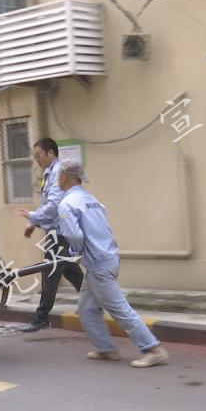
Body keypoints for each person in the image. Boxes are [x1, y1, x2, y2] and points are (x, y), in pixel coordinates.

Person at [56, 158, 168, 368]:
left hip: (97, 264)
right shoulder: (92, 200)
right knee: (87, 308)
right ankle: (106, 349)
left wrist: (75, 252)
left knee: (121, 310)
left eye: (58, 176)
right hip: (108, 258)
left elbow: (75, 235)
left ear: (63, 177)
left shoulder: (67, 204)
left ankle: (153, 349)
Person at [15, 138, 84, 332]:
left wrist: (32, 216)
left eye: (38, 155)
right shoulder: (49, 172)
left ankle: (41, 318)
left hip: (61, 231)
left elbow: (54, 205)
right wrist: (34, 222)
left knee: (50, 273)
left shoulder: (58, 172)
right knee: (71, 270)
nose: (36, 159)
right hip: (58, 231)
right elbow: (47, 203)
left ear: (50, 153)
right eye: (35, 156)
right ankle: (94, 304)